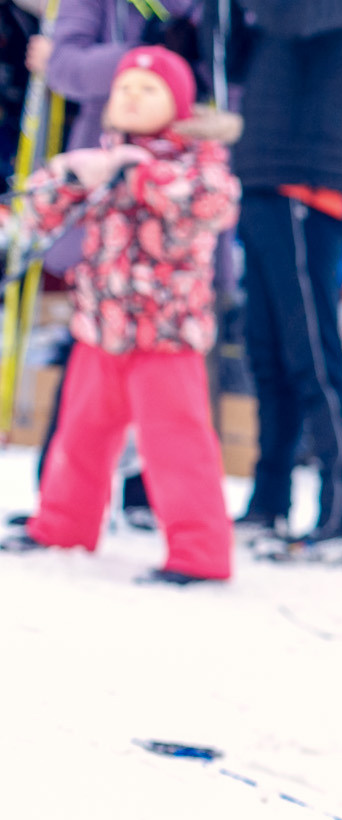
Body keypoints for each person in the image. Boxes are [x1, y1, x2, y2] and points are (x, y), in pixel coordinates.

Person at [0, 46, 239, 583]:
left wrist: (141, 174)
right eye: (124, 88)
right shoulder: (102, 156)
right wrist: (69, 176)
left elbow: (213, 204)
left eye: (147, 90)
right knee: (78, 438)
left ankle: (200, 552)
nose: (131, 96)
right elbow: (40, 210)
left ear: (178, 107)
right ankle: (63, 523)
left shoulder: (198, 162)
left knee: (177, 446)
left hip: (166, 338)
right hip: (100, 330)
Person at [232, 0, 342, 564]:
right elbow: (239, 48)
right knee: (267, 354)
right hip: (264, 173)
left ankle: (340, 516)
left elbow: (291, 18)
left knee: (312, 356)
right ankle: (269, 499)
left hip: (311, 180)